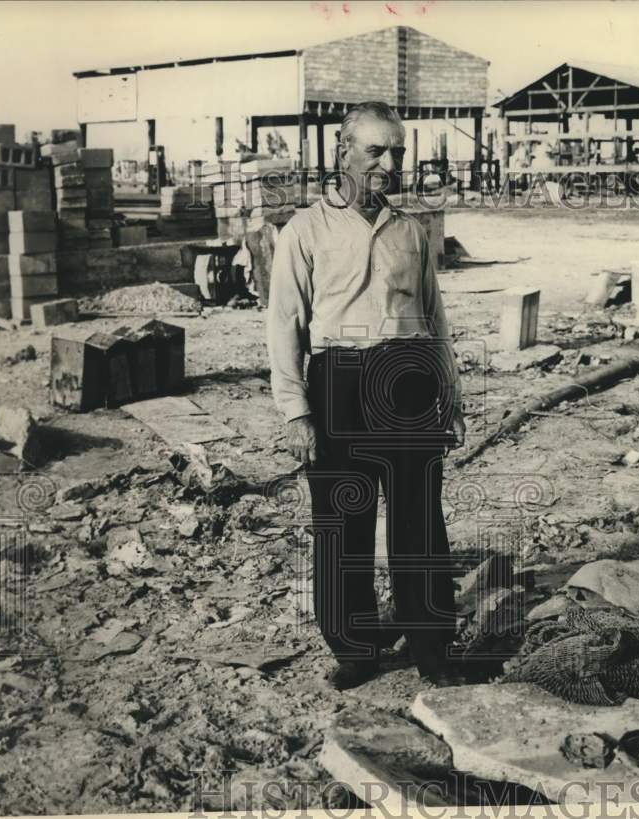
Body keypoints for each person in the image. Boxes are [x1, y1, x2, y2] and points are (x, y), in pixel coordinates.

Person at [267, 101, 467, 690]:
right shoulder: (305, 231)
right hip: (340, 383)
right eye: (375, 150)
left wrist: (450, 395)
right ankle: (355, 649)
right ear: (343, 152)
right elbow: (284, 325)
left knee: (419, 521)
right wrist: (297, 411)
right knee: (343, 522)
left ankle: (431, 647)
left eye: (397, 153)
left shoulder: (409, 230)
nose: (387, 164)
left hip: (408, 379)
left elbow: (434, 315)